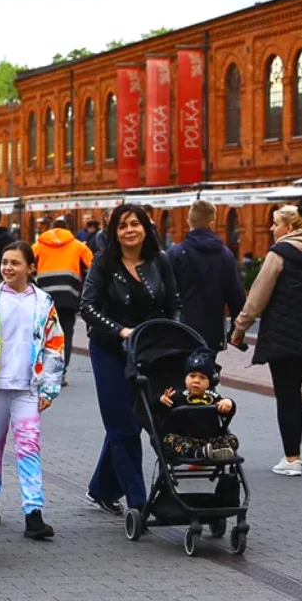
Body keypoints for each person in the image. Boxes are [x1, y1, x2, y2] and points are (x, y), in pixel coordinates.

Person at [80, 203, 180, 514]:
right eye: (122, 226)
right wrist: (120, 331)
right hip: (110, 350)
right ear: (114, 233)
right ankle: (138, 500)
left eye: (135, 224)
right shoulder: (103, 263)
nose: (129, 230)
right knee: (122, 424)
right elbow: (88, 307)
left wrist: (172, 331)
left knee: (142, 420)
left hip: (150, 350)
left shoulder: (159, 260)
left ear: (145, 227)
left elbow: (174, 302)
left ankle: (101, 488)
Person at [0, 242, 64, 540]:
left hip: (27, 387)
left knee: (29, 447)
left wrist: (49, 387)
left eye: (15, 263)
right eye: (5, 262)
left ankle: (33, 513)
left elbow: (54, 344)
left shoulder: (44, 302)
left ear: (30, 268)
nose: (8, 268)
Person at [229, 203, 302, 477]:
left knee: (287, 394)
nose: (272, 229)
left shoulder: (279, 253)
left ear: (290, 227)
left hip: (283, 333)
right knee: (293, 391)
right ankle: (294, 454)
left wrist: (239, 327)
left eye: (275, 224)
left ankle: (292, 457)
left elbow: (258, 295)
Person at [167, 200, 246, 356]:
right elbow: (236, 296)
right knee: (205, 375)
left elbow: (165, 293)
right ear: (212, 224)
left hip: (180, 329)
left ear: (189, 221)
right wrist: (237, 330)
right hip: (212, 331)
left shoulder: (175, 253)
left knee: (182, 376)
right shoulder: (225, 255)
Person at [32, 217, 93, 385]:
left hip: (45, 297)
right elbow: (93, 265)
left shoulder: (40, 245)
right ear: (68, 229)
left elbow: (25, 260)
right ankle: (61, 372)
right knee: (65, 333)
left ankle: (43, 369)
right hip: (69, 296)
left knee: (45, 333)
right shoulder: (77, 245)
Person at [158, 351, 238, 461]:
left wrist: (229, 403)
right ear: (185, 379)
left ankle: (217, 452)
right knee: (169, 439)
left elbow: (227, 410)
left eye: (202, 378)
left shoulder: (213, 396)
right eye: (192, 376)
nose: (196, 381)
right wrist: (162, 400)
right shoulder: (177, 395)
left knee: (232, 439)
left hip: (210, 438)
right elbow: (159, 410)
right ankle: (199, 453)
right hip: (186, 438)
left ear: (209, 382)